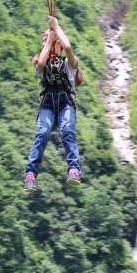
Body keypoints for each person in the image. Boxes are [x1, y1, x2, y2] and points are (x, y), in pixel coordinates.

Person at [23, 16, 83, 190]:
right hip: (48, 103)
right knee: (42, 133)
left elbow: (68, 47)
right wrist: (50, 37)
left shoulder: (69, 64)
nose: (46, 46)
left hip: (65, 103)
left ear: (58, 45)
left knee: (67, 131)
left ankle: (74, 169)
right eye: (44, 44)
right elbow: (41, 62)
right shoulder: (42, 65)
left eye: (50, 43)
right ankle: (30, 174)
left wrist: (56, 28)